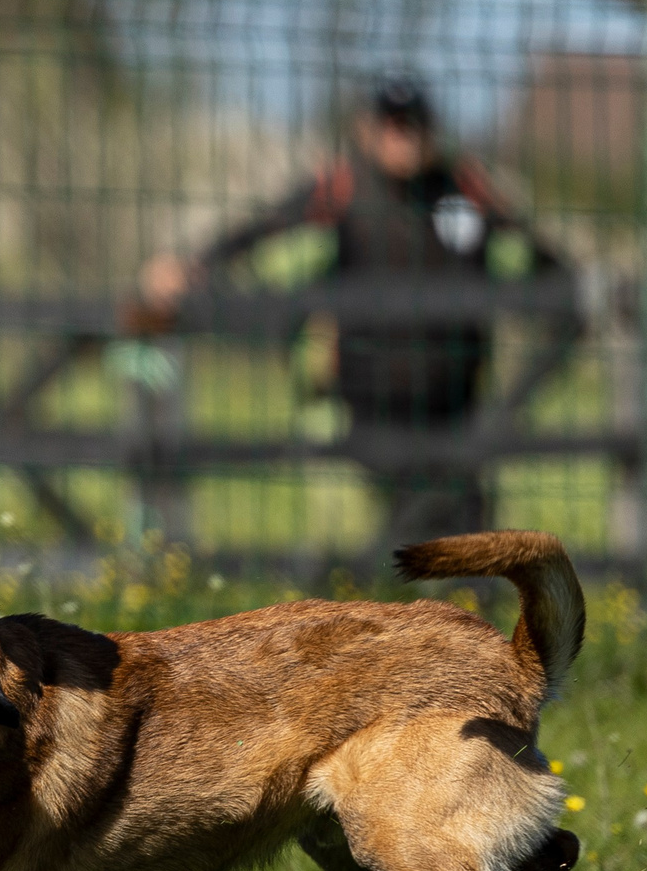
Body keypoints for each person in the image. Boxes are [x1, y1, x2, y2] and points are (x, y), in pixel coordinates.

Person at [139, 77, 556, 547]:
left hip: (457, 406)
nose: (404, 138)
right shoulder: (342, 185)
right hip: (370, 404)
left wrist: (576, 285)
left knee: (469, 543)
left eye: (414, 125)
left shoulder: (463, 185)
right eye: (392, 125)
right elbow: (263, 228)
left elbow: (536, 251)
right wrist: (192, 264)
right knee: (386, 544)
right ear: (367, 129)